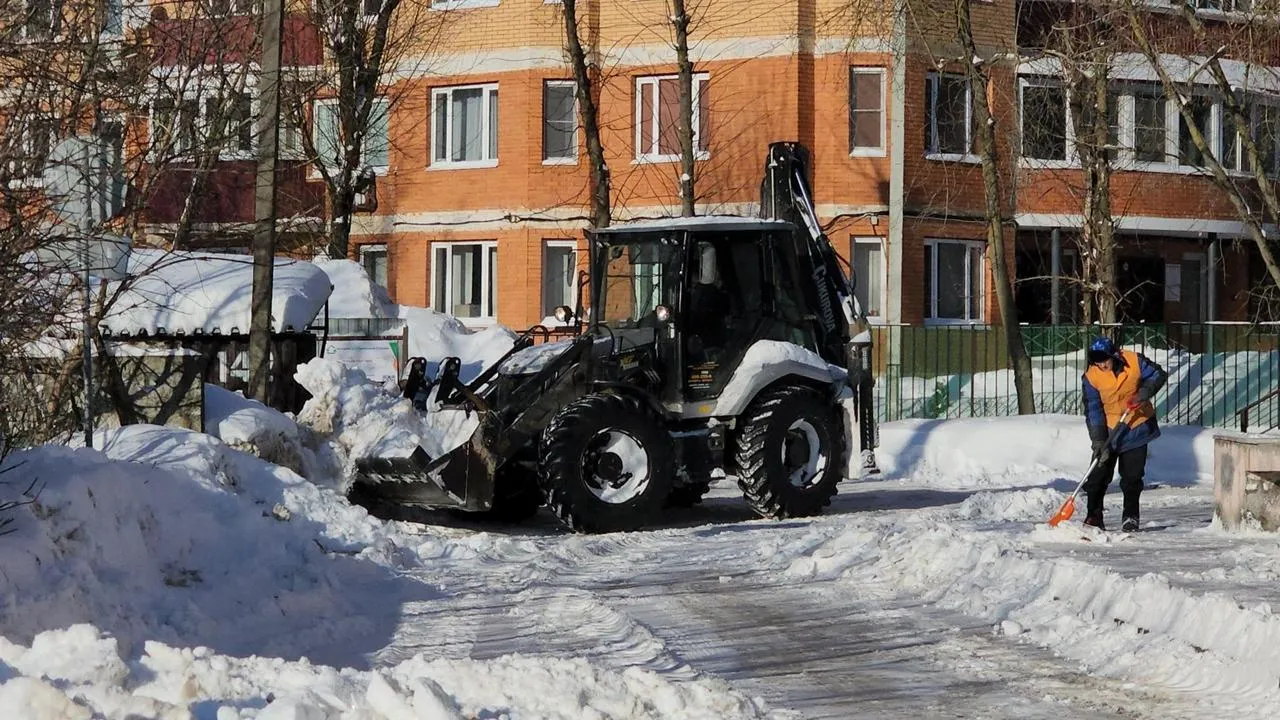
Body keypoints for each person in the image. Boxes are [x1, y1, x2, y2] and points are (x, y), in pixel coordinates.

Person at [1082, 336, 1168, 531]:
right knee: (1097, 476)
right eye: (1097, 361)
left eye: (1105, 360)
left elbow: (1158, 374)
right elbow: (1093, 409)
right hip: (1110, 430)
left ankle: (1130, 516)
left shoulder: (1134, 361)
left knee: (1132, 477)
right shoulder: (1091, 377)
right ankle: (1093, 515)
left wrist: (1143, 393)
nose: (1102, 365)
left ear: (1114, 355)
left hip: (1136, 425)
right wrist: (1098, 440)